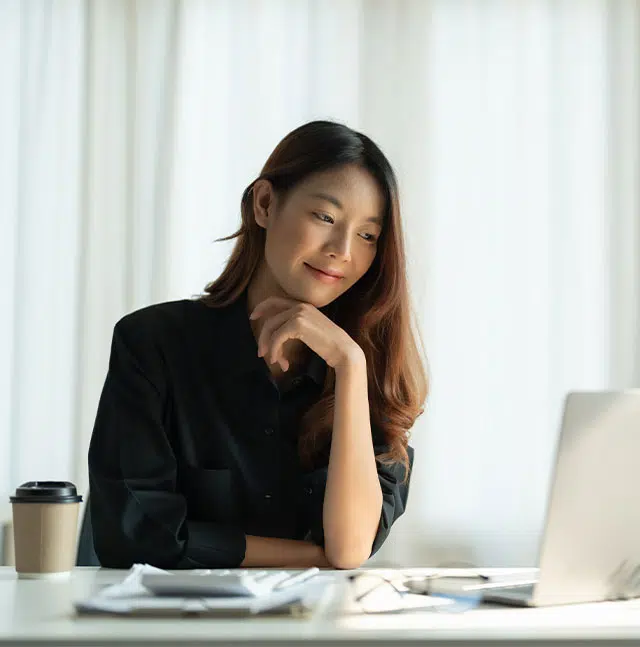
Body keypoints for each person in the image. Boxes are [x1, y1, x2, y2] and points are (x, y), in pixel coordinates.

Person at [87, 121, 427, 570]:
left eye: (367, 235)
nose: (342, 250)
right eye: (325, 217)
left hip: (307, 633)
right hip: (164, 629)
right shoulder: (152, 344)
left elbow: (349, 547)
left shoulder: (369, 370)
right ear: (265, 204)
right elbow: (134, 532)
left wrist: (348, 366)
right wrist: (310, 557)